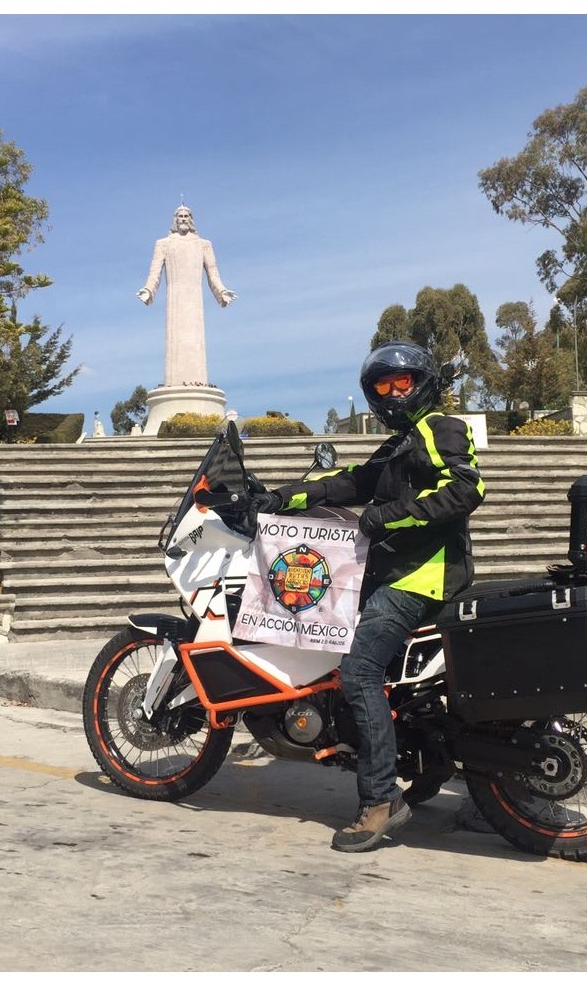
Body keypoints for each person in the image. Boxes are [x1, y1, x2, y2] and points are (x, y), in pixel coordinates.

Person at [255, 340, 486, 853]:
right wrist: (278, 498)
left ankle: (381, 801)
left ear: (421, 382)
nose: (391, 393)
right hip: (397, 572)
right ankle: (424, 766)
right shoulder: (403, 442)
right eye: (381, 386)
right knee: (359, 665)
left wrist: (384, 516)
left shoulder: (440, 428)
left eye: (399, 382)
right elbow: (348, 483)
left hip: (420, 577)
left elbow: (466, 489)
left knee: (359, 674)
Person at [137, 205, 237, 388]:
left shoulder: (203, 244)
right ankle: (175, 383)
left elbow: (213, 271)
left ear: (191, 219)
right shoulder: (164, 244)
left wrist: (222, 292)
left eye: (186, 216)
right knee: (175, 341)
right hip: (174, 298)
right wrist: (148, 290)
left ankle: (197, 382)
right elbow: (154, 272)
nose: (183, 219)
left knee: (195, 340)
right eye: (180, 216)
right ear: (175, 219)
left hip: (194, 298)